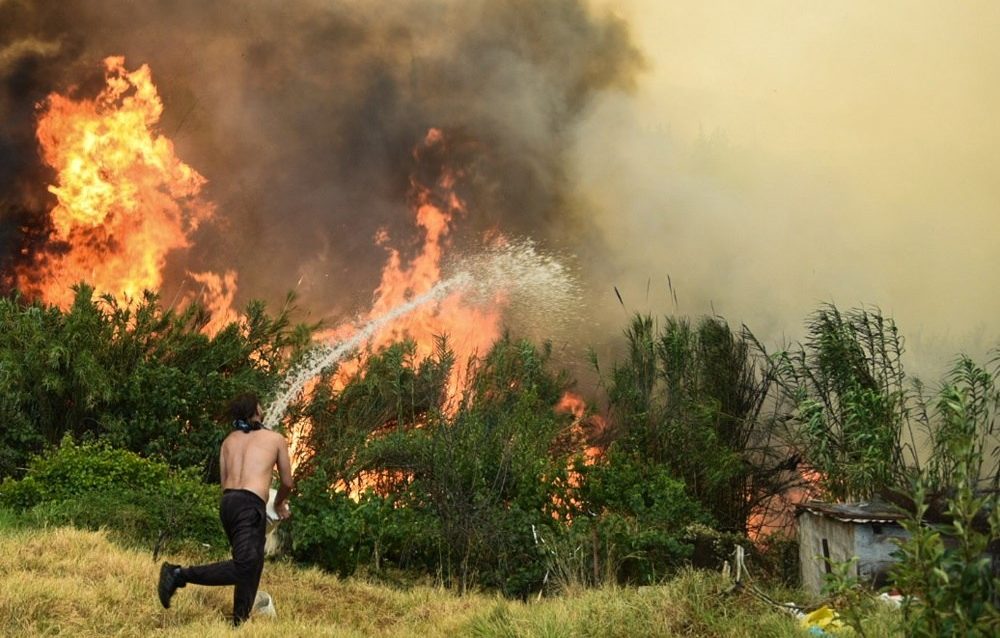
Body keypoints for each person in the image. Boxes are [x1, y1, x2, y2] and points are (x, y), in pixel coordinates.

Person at [158, 392, 293, 626]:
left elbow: (224, 483)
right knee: (245, 566)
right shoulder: (275, 439)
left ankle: (239, 622)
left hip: (229, 505)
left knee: (252, 562)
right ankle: (178, 574)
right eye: (260, 406)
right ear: (257, 410)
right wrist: (279, 503)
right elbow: (287, 483)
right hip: (250, 506)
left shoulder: (228, 440)